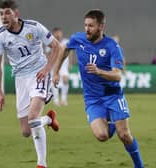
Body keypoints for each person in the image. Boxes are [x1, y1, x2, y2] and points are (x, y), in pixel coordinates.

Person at [53, 9, 144, 168]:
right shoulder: (78, 39)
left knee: (125, 135)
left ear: (101, 27)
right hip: (93, 98)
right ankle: (112, 121)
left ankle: (139, 166)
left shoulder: (112, 46)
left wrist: (99, 71)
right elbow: (65, 49)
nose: (87, 29)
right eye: (85, 25)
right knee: (102, 136)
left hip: (113, 95)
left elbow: (118, 76)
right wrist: (55, 72)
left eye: (91, 26)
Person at [0, 1, 61, 168]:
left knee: (32, 118)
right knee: (26, 131)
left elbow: (56, 46)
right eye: (1, 14)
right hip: (20, 79)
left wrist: (47, 69)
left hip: (39, 74)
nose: (3, 17)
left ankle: (41, 164)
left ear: (16, 13)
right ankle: (49, 120)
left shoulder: (34, 27)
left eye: (7, 13)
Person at [45, 27, 70, 106]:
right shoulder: (50, 43)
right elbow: (48, 54)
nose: (58, 34)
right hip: (54, 65)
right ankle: (56, 100)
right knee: (54, 81)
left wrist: (70, 63)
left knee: (65, 80)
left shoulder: (66, 41)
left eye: (59, 32)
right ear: (53, 34)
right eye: (56, 33)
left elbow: (70, 52)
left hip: (64, 65)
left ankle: (63, 99)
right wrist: (49, 64)